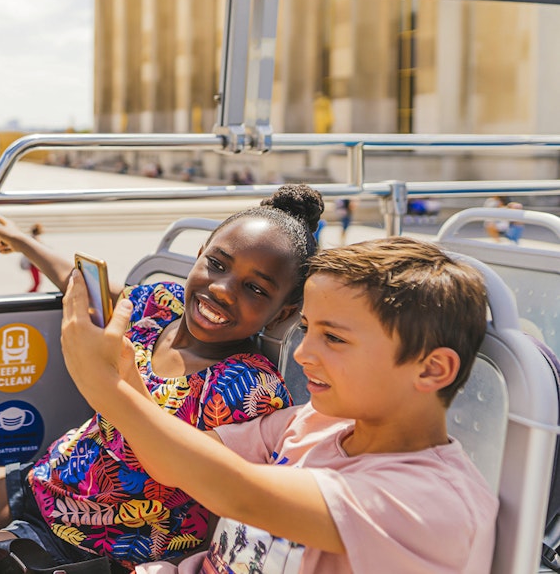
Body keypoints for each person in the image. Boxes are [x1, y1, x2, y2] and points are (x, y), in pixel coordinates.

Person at [0, 184, 325, 573]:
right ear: (199, 255)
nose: (222, 289)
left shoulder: (250, 390)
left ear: (284, 312)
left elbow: (215, 492)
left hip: (92, 545)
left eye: (256, 289)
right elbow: (82, 285)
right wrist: (25, 243)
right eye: (216, 264)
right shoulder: (161, 304)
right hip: (48, 479)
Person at [60, 236, 497, 574]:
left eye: (334, 338)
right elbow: (176, 461)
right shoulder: (314, 423)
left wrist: (105, 389)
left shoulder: (433, 501)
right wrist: (125, 375)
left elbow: (243, 495)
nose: (304, 353)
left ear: (432, 369)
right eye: (306, 329)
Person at [15, 223, 45, 293]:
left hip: (34, 263)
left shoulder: (32, 238)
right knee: (37, 282)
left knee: (37, 282)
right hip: (33, 264)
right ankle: (29, 294)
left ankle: (32, 293)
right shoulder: (34, 240)